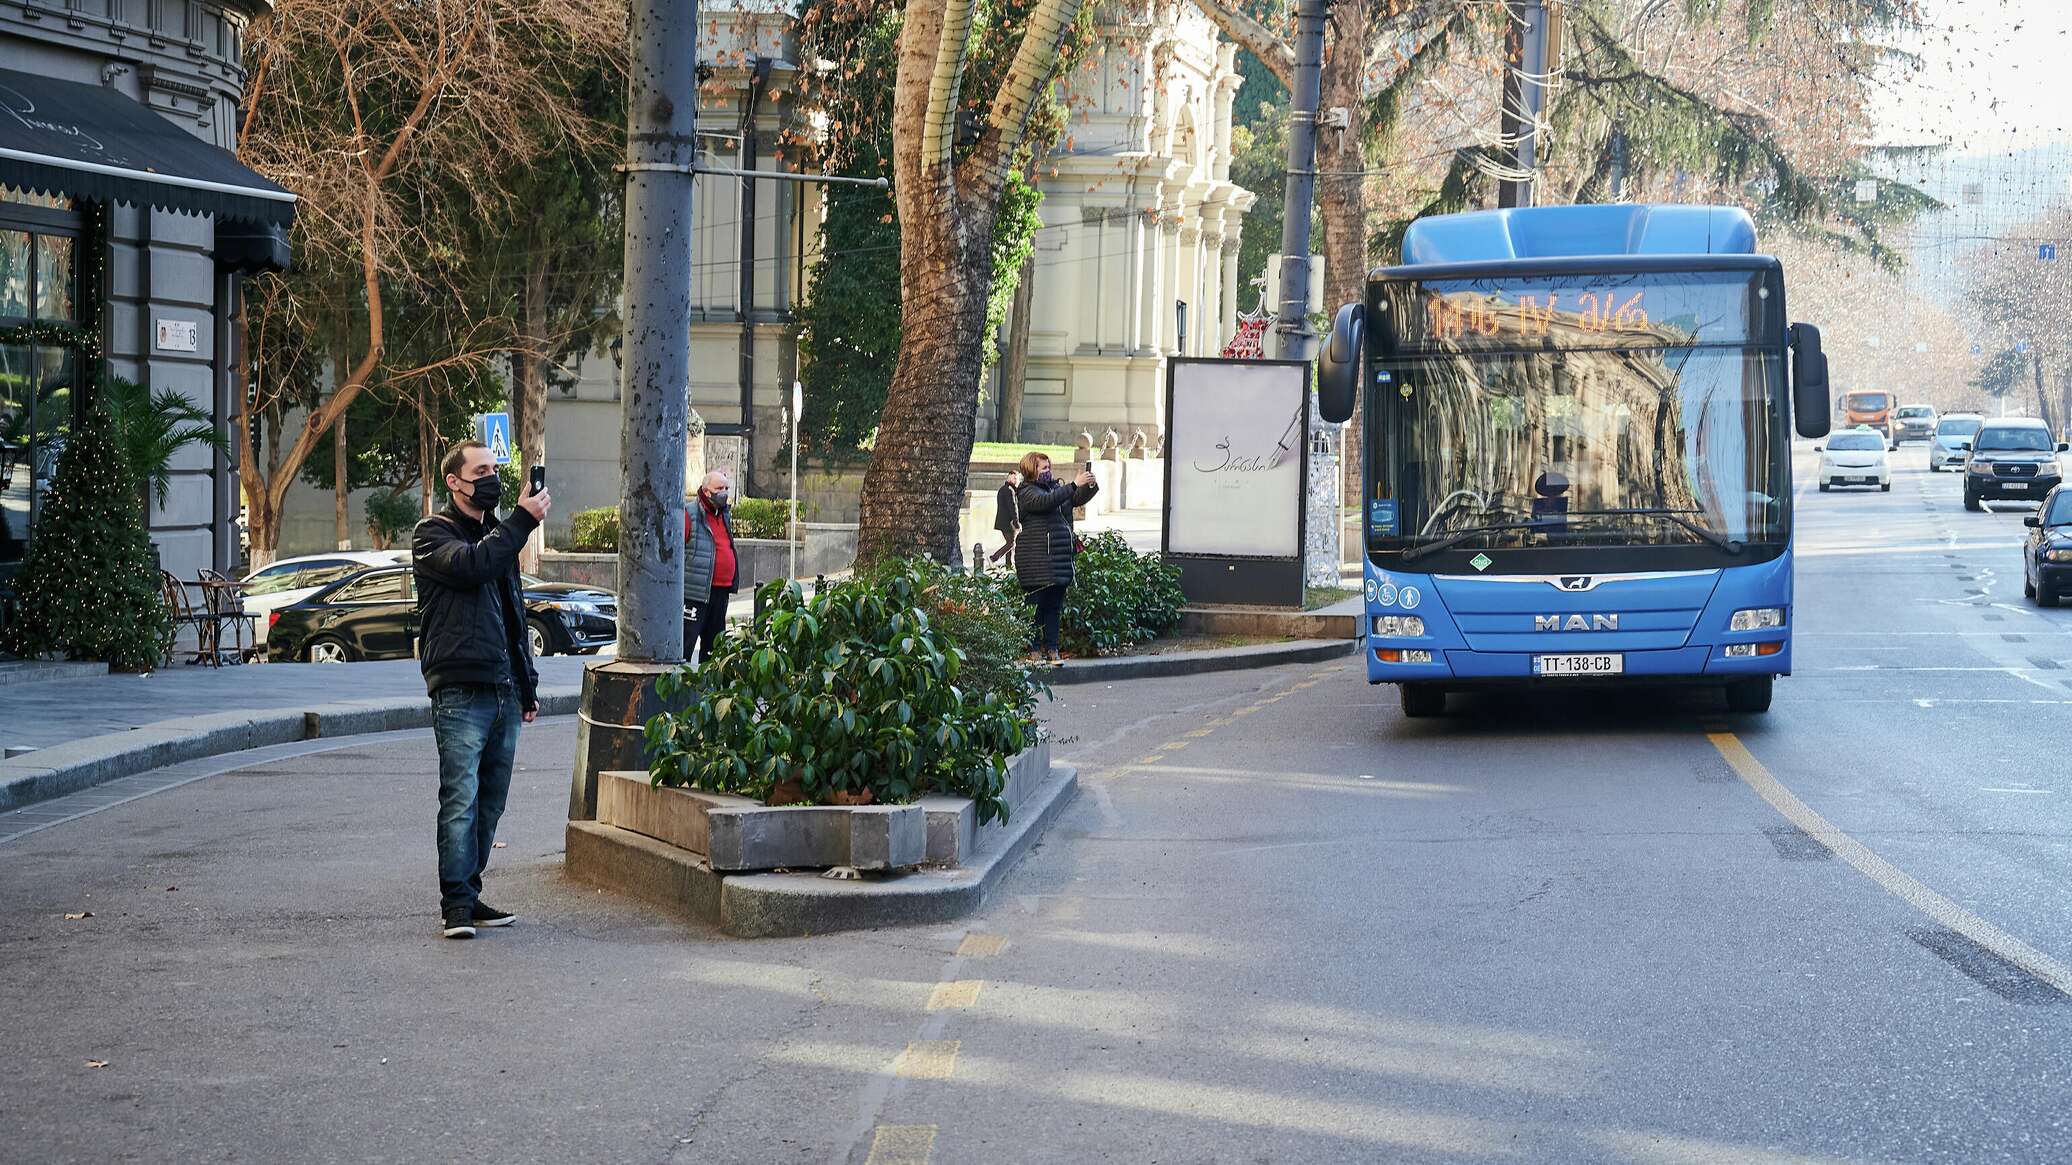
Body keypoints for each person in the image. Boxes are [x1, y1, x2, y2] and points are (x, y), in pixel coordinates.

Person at [412, 441, 549, 940]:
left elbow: (514, 614)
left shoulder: (497, 536)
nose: (491, 477)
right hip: (460, 689)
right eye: (481, 470)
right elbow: (470, 566)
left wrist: (526, 685)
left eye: (495, 469)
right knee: (461, 798)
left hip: (503, 689)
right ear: (455, 481)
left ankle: (469, 892)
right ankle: (456, 907)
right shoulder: (432, 533)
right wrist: (521, 521)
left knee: (490, 801)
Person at [1012, 451, 1098, 663]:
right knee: (1036, 606)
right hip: (1036, 560)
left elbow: (1072, 500)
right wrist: (1073, 485)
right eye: (1044, 468)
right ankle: (1033, 648)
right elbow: (1045, 502)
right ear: (1032, 470)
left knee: (1053, 607)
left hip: (1058, 559)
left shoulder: (1055, 488)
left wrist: (1088, 485)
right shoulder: (1026, 492)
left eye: (1049, 467)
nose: (1048, 471)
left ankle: (1052, 649)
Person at [683, 470, 738, 665]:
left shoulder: (724, 515)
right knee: (685, 645)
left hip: (720, 592)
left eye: (726, 488)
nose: (723, 492)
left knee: (714, 648)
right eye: (719, 488)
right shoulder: (689, 513)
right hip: (695, 595)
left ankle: (709, 691)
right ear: (706, 492)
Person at [988, 470, 1022, 566]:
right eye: (1014, 478)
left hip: (1004, 521)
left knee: (1010, 542)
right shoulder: (1009, 490)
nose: (1016, 480)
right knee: (1011, 543)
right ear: (1009, 478)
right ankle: (993, 558)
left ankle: (1008, 565)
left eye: (1016, 478)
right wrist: (1016, 522)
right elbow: (1013, 507)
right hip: (1008, 522)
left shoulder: (1004, 489)